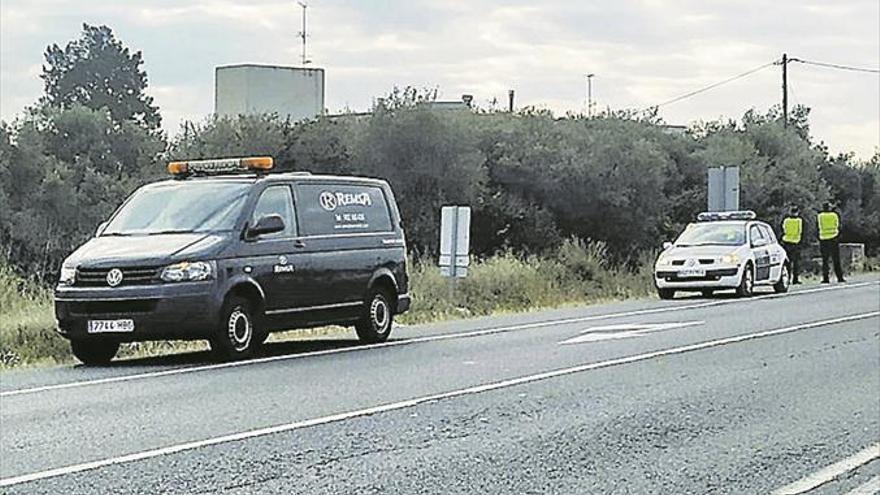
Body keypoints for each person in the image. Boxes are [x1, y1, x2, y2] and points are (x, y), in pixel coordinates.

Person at [817, 202, 845, 283]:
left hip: (823, 238)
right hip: (833, 238)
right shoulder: (834, 215)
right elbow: (838, 225)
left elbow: (818, 226)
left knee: (825, 260)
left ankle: (825, 278)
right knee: (836, 259)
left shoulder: (820, 216)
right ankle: (840, 277)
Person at [780, 205, 802, 284]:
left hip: (786, 242)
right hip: (795, 243)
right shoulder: (799, 221)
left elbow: (783, 229)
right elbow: (800, 231)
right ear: (797, 212)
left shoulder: (786, 221)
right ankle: (795, 279)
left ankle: (787, 279)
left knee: (787, 262)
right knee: (796, 263)